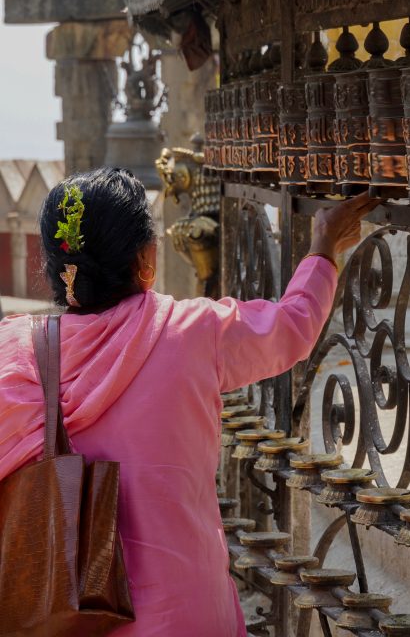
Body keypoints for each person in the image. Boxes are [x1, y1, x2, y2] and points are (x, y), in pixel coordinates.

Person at [0, 167, 378, 637]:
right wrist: (324, 247)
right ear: (147, 259)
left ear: (57, 267)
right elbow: (292, 328)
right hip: (186, 612)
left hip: (59, 617)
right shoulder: (190, 333)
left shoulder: (13, 355)